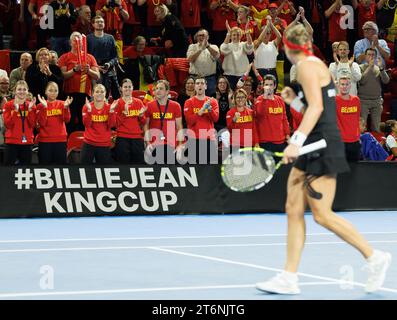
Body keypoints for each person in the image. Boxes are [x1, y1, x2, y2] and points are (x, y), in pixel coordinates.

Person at [255, 24, 392, 295]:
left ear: (289, 48)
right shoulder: (315, 66)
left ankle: (375, 257)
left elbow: (317, 108)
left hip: (323, 145)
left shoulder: (306, 66)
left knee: (323, 215)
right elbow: (315, 107)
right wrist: (293, 102)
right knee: (293, 207)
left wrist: (294, 142)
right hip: (313, 142)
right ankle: (289, 277)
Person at [58, 32, 100, 133]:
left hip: (85, 94)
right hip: (69, 94)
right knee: (70, 121)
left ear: (83, 42)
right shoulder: (64, 57)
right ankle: (69, 144)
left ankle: (82, 145)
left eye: (80, 40)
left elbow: (97, 76)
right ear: (70, 42)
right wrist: (74, 70)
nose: (77, 42)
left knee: (83, 121)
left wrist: (89, 70)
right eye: (74, 39)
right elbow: (62, 76)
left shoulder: (90, 57)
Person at [143, 80, 183, 164]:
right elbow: (145, 125)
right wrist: (147, 142)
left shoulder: (176, 106)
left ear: (167, 91)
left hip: (171, 144)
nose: (157, 90)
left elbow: (179, 126)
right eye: (156, 88)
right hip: (154, 144)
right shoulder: (149, 105)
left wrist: (179, 144)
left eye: (161, 88)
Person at [183, 77, 219, 164]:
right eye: (198, 83)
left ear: (206, 86)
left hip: (209, 139)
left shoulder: (212, 101)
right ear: (195, 87)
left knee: (211, 169)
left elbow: (216, 119)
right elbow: (189, 121)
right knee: (195, 169)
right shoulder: (189, 102)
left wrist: (210, 110)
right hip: (194, 139)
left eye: (202, 83)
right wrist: (202, 110)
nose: (200, 85)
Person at [36, 82, 72, 164]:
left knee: (60, 168)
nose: (53, 93)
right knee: (44, 167)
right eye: (50, 90)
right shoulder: (40, 106)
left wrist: (66, 108)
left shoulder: (63, 104)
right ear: (45, 91)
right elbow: (41, 123)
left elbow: (67, 120)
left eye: (55, 90)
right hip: (45, 141)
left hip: (60, 141)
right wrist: (45, 108)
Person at [81, 84, 117, 164]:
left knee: (104, 171)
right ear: (93, 93)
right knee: (84, 169)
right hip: (88, 143)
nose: (99, 93)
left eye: (102, 91)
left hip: (104, 144)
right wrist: (89, 111)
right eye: (97, 91)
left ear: (105, 93)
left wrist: (111, 112)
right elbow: (86, 124)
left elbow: (111, 125)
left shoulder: (110, 107)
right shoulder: (86, 106)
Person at [2, 80, 36, 165]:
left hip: (27, 142)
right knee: (8, 172)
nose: (22, 91)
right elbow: (8, 124)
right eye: (19, 89)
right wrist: (16, 111)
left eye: (24, 89)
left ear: (27, 91)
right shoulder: (8, 105)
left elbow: (32, 124)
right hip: (11, 142)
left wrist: (30, 110)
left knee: (25, 171)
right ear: (14, 91)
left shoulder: (31, 105)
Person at [253, 74, 290, 153]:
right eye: (266, 85)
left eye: (271, 85)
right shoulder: (259, 100)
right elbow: (260, 114)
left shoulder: (280, 100)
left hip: (281, 141)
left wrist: (287, 135)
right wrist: (265, 97)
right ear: (263, 86)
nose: (268, 87)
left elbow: (284, 119)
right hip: (265, 142)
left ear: (274, 86)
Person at [87, 15, 120, 100]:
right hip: (94, 69)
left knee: (117, 95)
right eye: (97, 22)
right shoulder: (88, 38)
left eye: (102, 22)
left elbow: (116, 57)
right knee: (97, 95)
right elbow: (86, 57)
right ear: (93, 24)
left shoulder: (110, 38)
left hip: (108, 68)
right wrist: (97, 67)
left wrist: (109, 64)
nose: (100, 23)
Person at [114, 78, 146, 164]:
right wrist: (123, 114)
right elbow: (115, 124)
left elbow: (143, 122)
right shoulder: (117, 103)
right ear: (121, 88)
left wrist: (141, 116)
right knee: (123, 166)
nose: (127, 89)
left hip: (137, 138)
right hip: (122, 138)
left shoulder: (139, 102)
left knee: (138, 165)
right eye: (125, 87)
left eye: (129, 86)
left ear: (132, 88)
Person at [357, 48, 390, 132]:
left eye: (373, 55)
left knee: (376, 127)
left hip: (376, 101)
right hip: (363, 100)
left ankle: (375, 144)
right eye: (369, 54)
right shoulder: (360, 67)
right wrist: (369, 67)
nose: (371, 57)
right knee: (362, 127)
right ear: (365, 56)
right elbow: (362, 81)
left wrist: (381, 68)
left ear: (375, 57)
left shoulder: (379, 68)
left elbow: (386, 81)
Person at [187, 29, 220, 96]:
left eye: (203, 35)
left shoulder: (214, 46)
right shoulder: (192, 46)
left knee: (210, 100)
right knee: (194, 100)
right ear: (196, 37)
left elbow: (217, 56)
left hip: (209, 79)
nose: (201, 37)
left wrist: (207, 46)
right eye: (199, 35)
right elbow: (190, 59)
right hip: (195, 78)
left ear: (207, 37)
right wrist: (200, 49)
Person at [335, 76, 361, 162]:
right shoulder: (334, 101)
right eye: (342, 84)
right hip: (340, 142)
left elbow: (357, 119)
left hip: (355, 141)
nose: (344, 86)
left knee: (355, 171)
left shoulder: (356, 100)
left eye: (347, 84)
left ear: (350, 86)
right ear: (338, 85)